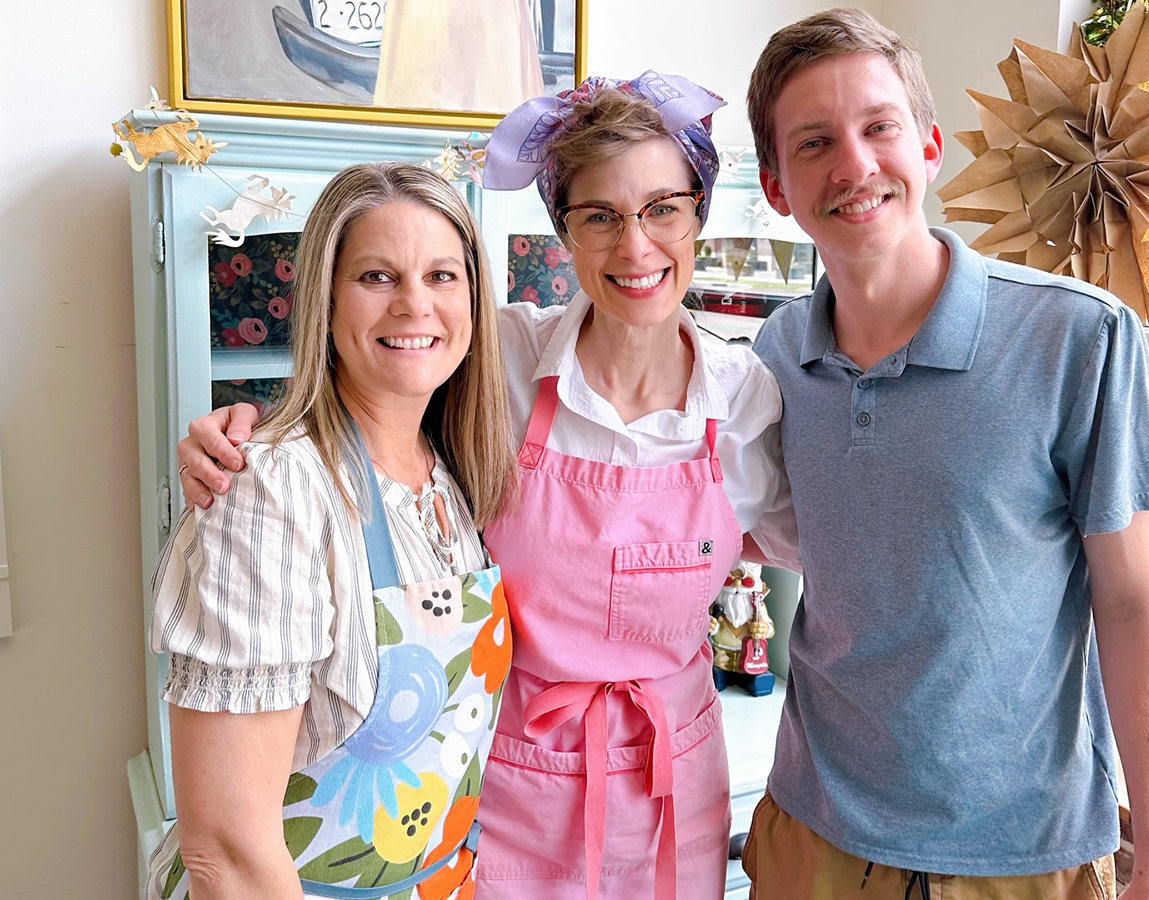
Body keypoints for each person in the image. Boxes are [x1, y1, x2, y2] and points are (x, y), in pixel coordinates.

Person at [174, 71, 798, 900]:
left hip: (671, 793)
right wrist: (253, 434)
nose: (636, 245)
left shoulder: (749, 398)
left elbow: (838, 556)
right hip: (499, 798)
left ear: (698, 212)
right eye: (599, 215)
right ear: (562, 230)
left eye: (663, 208)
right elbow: (368, 395)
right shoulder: (498, 363)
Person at [739, 8, 1149, 900]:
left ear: (930, 147)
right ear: (777, 187)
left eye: (879, 127)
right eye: (816, 142)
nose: (855, 166)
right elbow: (796, 534)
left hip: (1022, 854)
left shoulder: (1079, 338)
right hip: (811, 835)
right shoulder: (775, 355)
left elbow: (1135, 599)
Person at [146, 162, 516, 900]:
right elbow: (228, 853)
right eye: (377, 277)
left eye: (442, 276)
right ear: (324, 299)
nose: (415, 304)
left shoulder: (451, 469)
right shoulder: (274, 489)